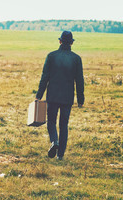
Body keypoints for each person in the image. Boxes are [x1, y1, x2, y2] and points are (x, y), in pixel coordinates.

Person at [35, 31, 84, 160]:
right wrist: (80, 99)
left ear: (60, 41)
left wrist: (39, 95)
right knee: (64, 125)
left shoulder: (51, 56)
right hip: (67, 97)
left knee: (51, 121)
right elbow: (79, 80)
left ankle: (54, 142)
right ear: (72, 43)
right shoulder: (76, 58)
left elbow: (45, 77)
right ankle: (60, 155)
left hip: (53, 95)